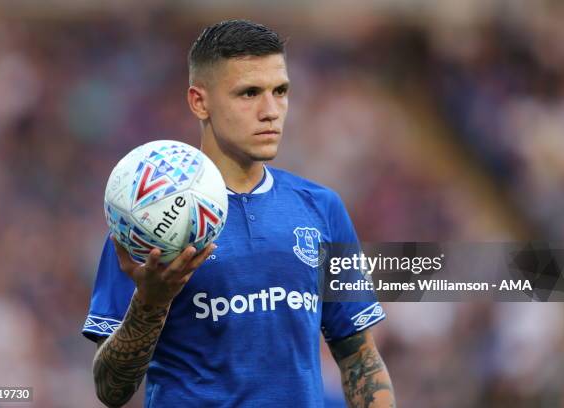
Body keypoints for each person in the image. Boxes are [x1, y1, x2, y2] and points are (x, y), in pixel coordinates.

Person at [82, 19, 395, 407]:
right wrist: (151, 302)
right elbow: (110, 390)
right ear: (200, 101)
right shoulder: (148, 220)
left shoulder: (321, 207)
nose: (271, 111)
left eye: (280, 91)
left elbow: (358, 356)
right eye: (249, 93)